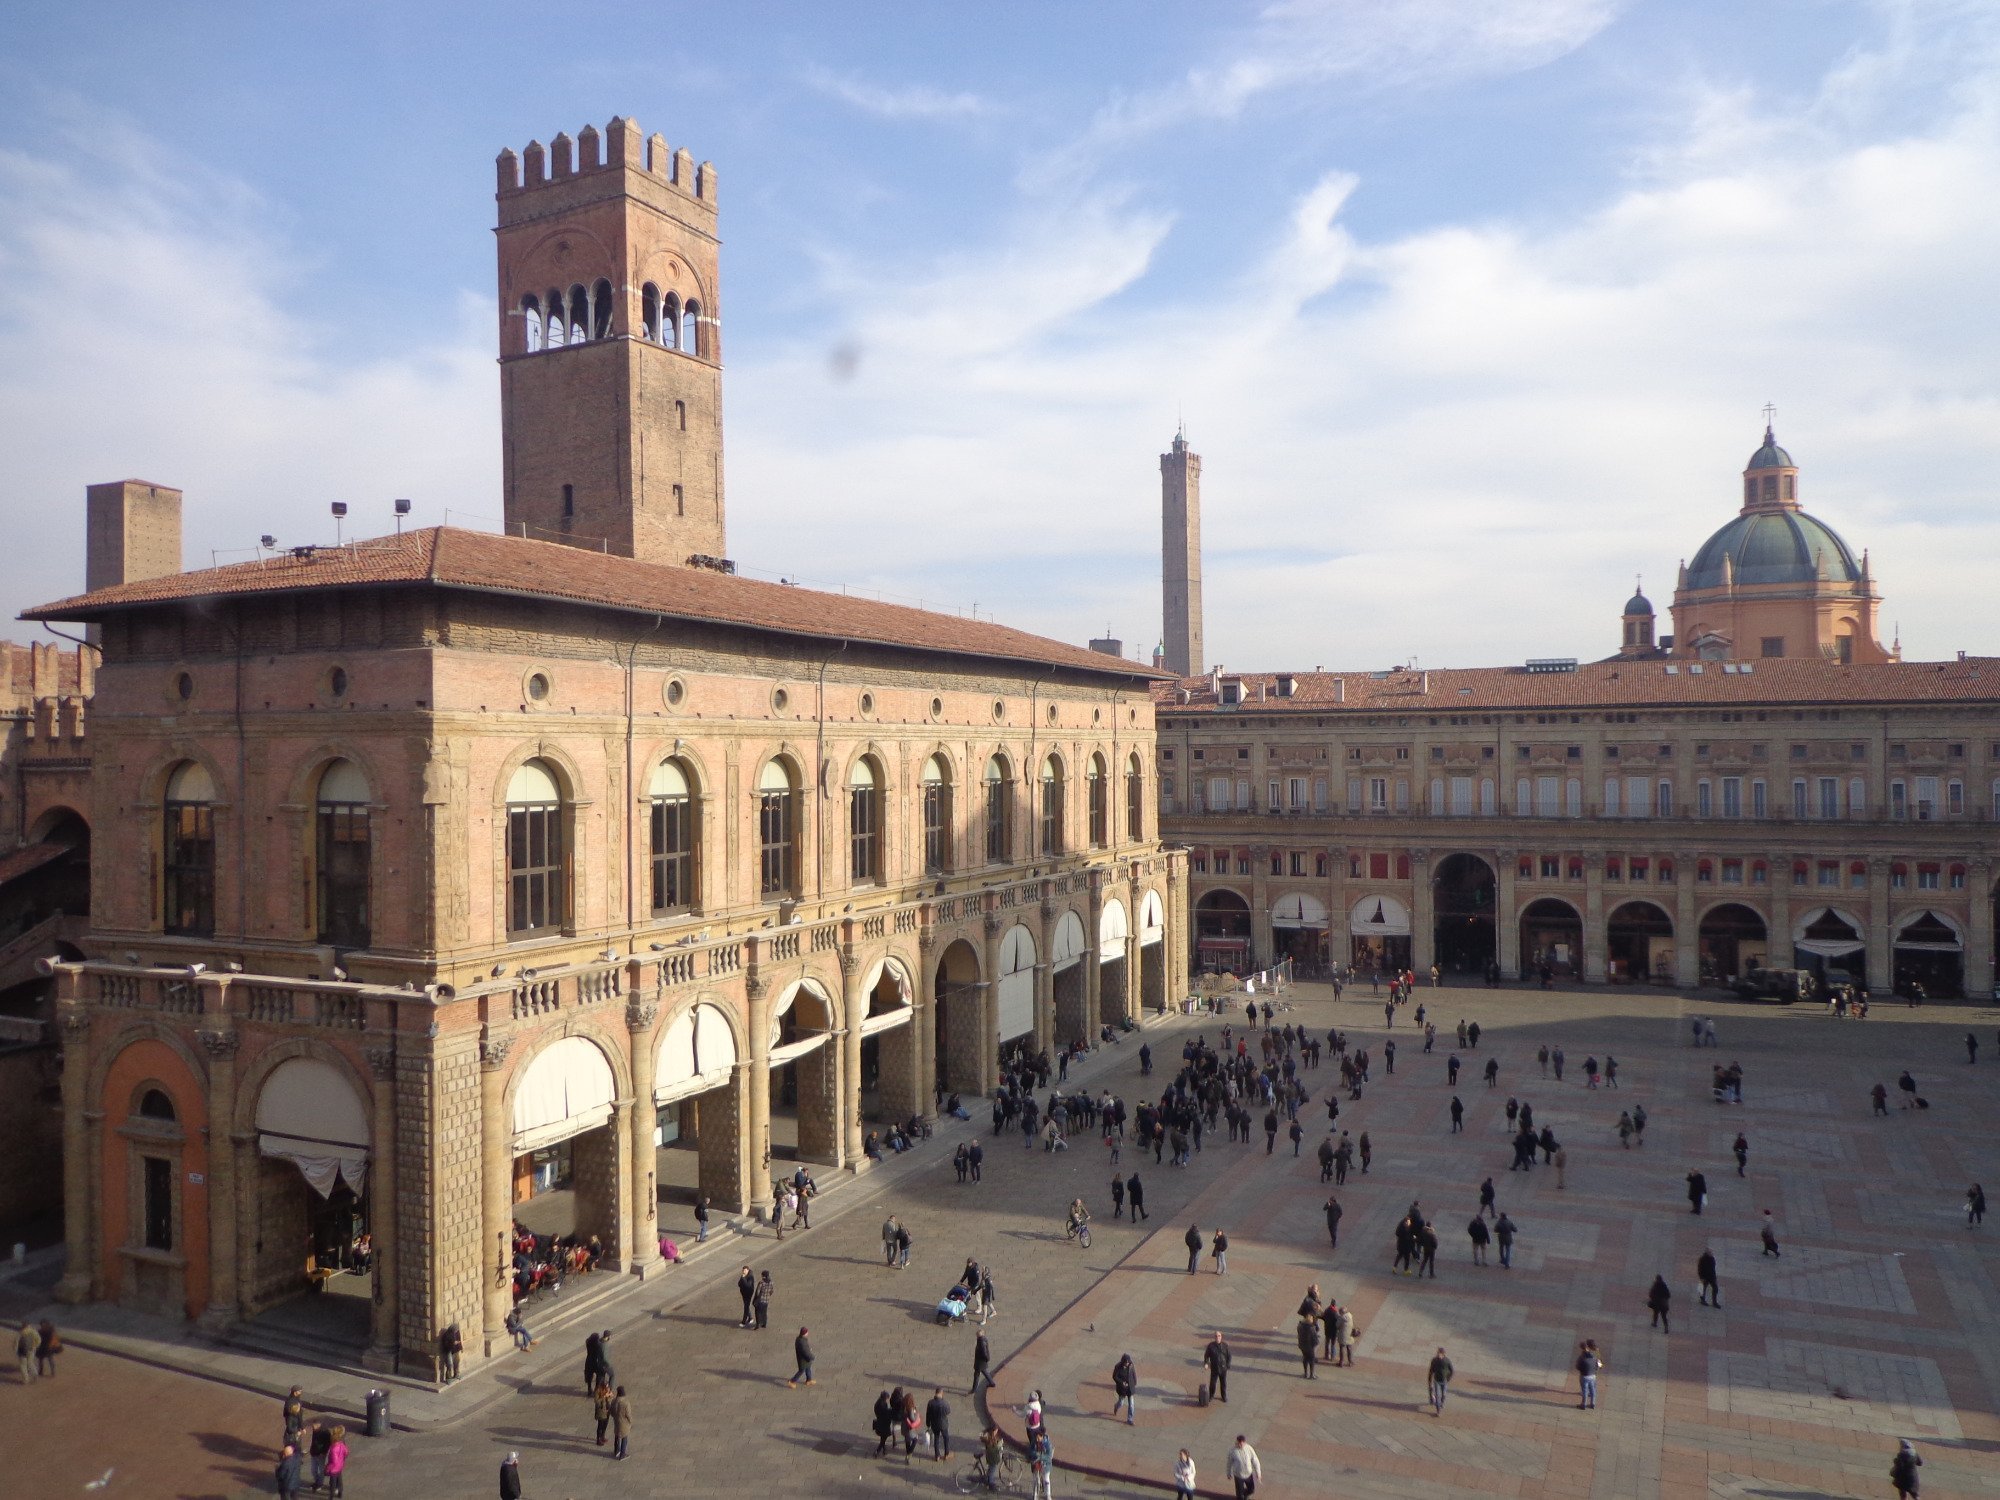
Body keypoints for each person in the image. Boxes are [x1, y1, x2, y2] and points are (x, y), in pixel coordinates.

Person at [1226, 1435, 1262, 1500]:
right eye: (1239, 1443)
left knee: (1251, 1490)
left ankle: (1244, 1495)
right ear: (1237, 1442)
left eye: (1242, 1444)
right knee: (1239, 1495)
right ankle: (1241, 1497)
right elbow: (1229, 1463)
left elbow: (1255, 1460)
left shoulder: (1249, 1448)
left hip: (1249, 1474)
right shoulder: (1233, 1451)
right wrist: (1229, 1473)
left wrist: (1258, 1473)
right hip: (1239, 1476)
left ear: (1244, 1442)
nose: (1240, 1445)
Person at [1203, 1331, 1231, 1403]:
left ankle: (1223, 1396)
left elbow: (1229, 1356)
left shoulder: (1225, 1346)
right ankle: (1211, 1395)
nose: (1217, 1337)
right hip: (1214, 1368)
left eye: (1219, 1336)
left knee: (1223, 1383)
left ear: (1221, 1337)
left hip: (1223, 1368)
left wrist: (1228, 1365)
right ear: (1214, 1337)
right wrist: (1206, 1363)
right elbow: (1206, 1355)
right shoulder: (1211, 1346)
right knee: (1212, 1383)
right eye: (1216, 1336)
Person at [1028, 1426, 1054, 1500]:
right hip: (1035, 1463)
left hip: (1045, 1464)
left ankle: (1048, 1494)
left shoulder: (1048, 1444)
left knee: (1046, 1479)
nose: (1037, 1439)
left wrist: (1040, 1456)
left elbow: (1049, 1456)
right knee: (1035, 1479)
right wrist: (1034, 1454)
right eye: (1036, 1438)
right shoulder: (1034, 1442)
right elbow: (1030, 1450)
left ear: (1042, 1436)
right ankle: (1035, 1493)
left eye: (1038, 1437)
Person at [925, 1388, 951, 1460]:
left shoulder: (930, 1403)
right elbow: (948, 1411)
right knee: (946, 1438)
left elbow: (928, 1414)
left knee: (936, 1438)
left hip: (934, 1424)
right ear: (941, 1393)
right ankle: (946, 1454)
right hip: (943, 1424)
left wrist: (928, 1423)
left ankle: (937, 1455)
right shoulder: (945, 1403)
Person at [1575, 1340, 1602, 1410]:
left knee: (1585, 1390)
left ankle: (1583, 1404)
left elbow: (1578, 1366)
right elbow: (1599, 1362)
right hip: (1593, 1374)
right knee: (1593, 1388)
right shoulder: (1596, 1353)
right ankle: (1592, 1404)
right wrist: (1598, 1368)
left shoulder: (1583, 1356)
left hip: (1585, 1375)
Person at [1426, 1347, 1454, 1416]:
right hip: (1437, 1381)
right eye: (1438, 1353)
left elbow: (1452, 1371)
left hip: (1444, 1381)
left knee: (1443, 1395)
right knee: (1438, 1395)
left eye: (1440, 1354)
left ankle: (1442, 1403)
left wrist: (1448, 1379)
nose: (1439, 1355)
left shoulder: (1447, 1361)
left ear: (1443, 1354)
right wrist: (1430, 1380)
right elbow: (1431, 1371)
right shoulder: (1434, 1360)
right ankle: (1438, 1410)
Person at [323, 1425, 348, 1499]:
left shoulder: (333, 1448)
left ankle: (331, 1496)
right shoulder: (342, 1444)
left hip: (334, 1468)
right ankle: (340, 1493)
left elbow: (334, 1460)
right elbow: (346, 1452)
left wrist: (328, 1467)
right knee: (339, 1480)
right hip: (340, 1465)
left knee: (333, 1483)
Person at [1112, 1352, 1137, 1423]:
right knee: (1121, 1403)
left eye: (1128, 1362)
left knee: (1131, 1404)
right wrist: (1121, 1382)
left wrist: (1135, 1382)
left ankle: (1130, 1419)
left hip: (1130, 1388)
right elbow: (1114, 1376)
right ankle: (1116, 1406)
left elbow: (1133, 1374)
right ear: (1123, 1362)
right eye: (1126, 1362)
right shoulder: (1117, 1367)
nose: (1127, 1364)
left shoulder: (1131, 1365)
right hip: (1122, 1389)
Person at [610, 1385, 632, 1460]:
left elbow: (611, 1412)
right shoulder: (626, 1403)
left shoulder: (614, 1401)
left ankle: (616, 1451)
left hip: (616, 1422)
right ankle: (622, 1454)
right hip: (624, 1423)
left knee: (617, 1436)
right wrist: (631, 1422)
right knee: (624, 1437)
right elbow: (628, 1415)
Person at [593, 1378, 615, 1446]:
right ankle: (598, 1439)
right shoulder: (597, 1391)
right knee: (600, 1425)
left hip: (607, 1409)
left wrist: (610, 1396)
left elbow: (610, 1398)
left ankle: (603, 1436)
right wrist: (604, 1396)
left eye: (608, 1386)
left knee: (605, 1424)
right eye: (606, 1386)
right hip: (601, 1411)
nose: (607, 1387)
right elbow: (596, 1401)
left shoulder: (607, 1389)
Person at [971, 1329, 994, 1394]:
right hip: (982, 1362)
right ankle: (992, 1383)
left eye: (977, 1335)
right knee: (985, 1372)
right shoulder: (983, 1339)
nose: (977, 1336)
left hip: (980, 1362)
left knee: (976, 1375)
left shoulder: (981, 1342)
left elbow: (984, 1352)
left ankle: (974, 1389)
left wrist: (986, 1359)